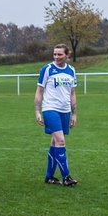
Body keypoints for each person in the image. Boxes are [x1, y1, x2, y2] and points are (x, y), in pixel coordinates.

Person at [35, 43, 78, 186]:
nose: (56, 57)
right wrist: (37, 111)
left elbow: (72, 93)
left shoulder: (71, 70)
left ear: (67, 55)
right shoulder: (47, 69)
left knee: (55, 142)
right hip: (50, 109)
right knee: (61, 141)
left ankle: (49, 176)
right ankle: (67, 177)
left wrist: (74, 114)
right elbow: (39, 91)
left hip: (65, 111)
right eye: (54, 54)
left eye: (59, 54)